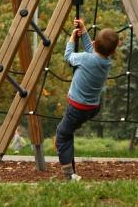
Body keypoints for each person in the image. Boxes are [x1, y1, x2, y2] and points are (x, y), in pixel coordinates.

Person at [56, 18, 119, 181]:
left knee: (62, 135)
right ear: (113, 51)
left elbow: (68, 56)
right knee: (68, 131)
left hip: (77, 108)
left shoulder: (85, 58)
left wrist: (72, 38)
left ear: (95, 43)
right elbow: (94, 52)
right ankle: (70, 171)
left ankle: (69, 176)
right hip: (92, 108)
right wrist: (83, 31)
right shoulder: (106, 62)